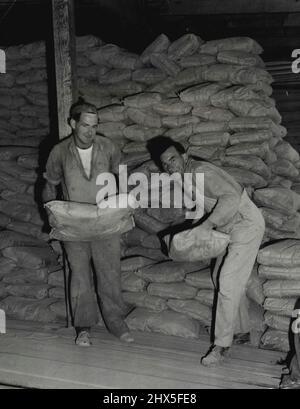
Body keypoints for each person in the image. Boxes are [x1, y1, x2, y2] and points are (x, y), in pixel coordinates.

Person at [147, 136, 265, 367]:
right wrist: (190, 232)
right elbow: (208, 205)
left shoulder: (202, 171)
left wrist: (206, 226)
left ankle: (221, 346)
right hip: (227, 226)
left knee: (228, 280)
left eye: (173, 159)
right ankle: (239, 330)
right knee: (218, 277)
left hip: (245, 224)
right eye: (165, 164)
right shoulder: (187, 177)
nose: (170, 166)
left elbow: (230, 199)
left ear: (184, 156)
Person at [42, 99, 133, 347]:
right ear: (73, 124)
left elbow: (122, 175)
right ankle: (83, 328)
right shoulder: (59, 152)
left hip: (106, 223)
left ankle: (116, 323)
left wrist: (123, 205)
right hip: (74, 226)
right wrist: (50, 211)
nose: (90, 131)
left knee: (110, 274)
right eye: (84, 126)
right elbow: (49, 185)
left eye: (94, 126)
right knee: (80, 275)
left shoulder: (108, 146)